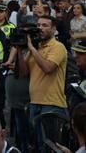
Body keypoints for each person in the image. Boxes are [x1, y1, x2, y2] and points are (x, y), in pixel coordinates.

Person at [16, 15, 68, 148]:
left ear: (54, 29)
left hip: (52, 104)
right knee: (38, 145)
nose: (40, 28)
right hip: (34, 103)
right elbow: (23, 73)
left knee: (52, 147)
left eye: (45, 25)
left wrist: (31, 48)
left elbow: (48, 68)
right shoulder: (36, 48)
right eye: (38, 25)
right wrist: (19, 51)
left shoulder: (58, 47)